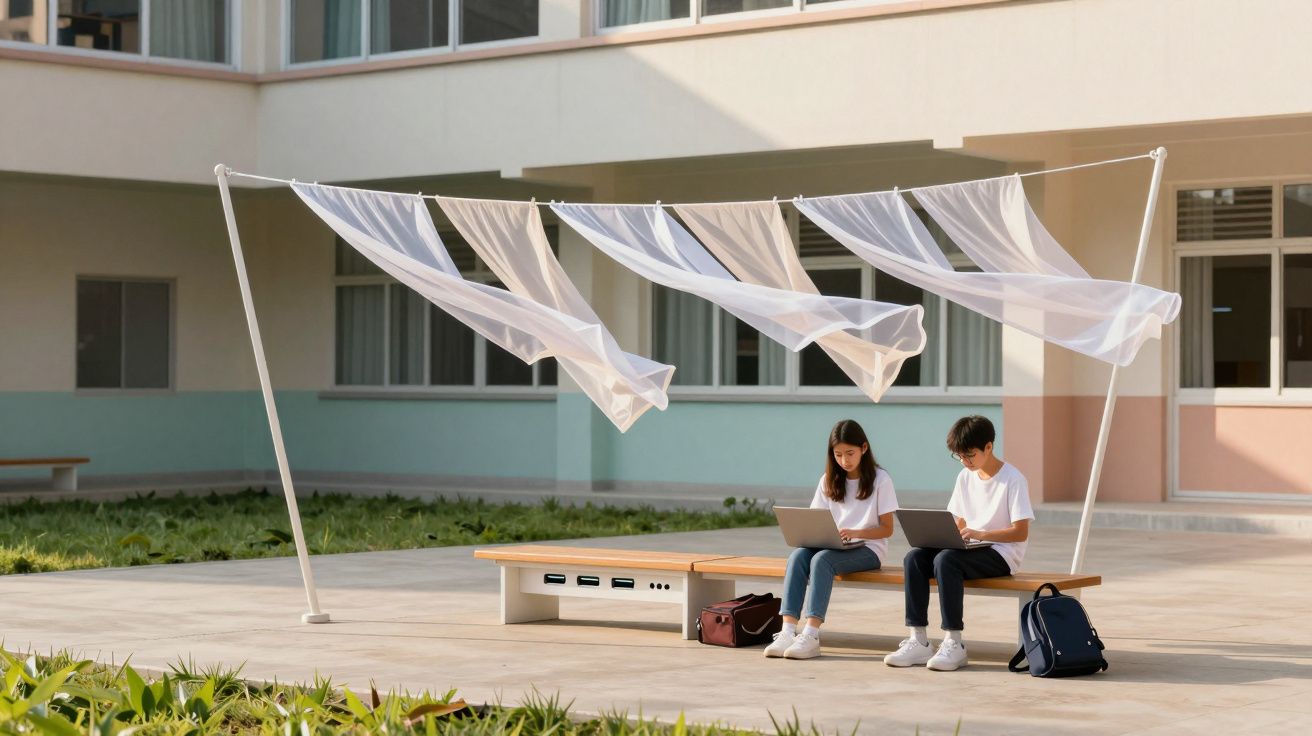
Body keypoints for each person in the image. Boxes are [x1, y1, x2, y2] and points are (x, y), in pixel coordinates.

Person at [883, 415, 1034, 671]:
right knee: (915, 558)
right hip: (970, 548)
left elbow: (1020, 532)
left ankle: (954, 642)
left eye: (969, 455)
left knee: (946, 560)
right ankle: (918, 639)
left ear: (989, 446)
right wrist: (946, 535)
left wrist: (982, 534)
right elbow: (960, 522)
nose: (964, 462)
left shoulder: (1013, 479)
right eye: (959, 456)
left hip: (1002, 554)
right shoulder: (965, 477)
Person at [765, 419, 899, 660]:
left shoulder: (881, 479)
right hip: (835, 544)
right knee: (798, 556)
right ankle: (787, 631)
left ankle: (811, 634)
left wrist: (856, 532)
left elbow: (887, 529)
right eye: (838, 454)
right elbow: (815, 518)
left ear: (864, 449)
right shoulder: (828, 480)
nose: (844, 460)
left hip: (868, 548)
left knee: (822, 561)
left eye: (850, 453)